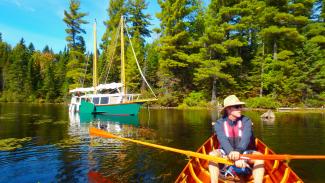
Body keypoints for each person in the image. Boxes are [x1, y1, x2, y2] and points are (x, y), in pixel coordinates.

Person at [209, 95, 264, 183]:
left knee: (260, 157)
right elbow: (223, 140)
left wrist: (239, 152)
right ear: (228, 109)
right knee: (212, 155)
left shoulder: (246, 121)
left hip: (244, 152)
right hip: (226, 153)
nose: (240, 109)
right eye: (237, 107)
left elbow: (246, 138)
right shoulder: (219, 123)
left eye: (241, 106)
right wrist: (232, 154)